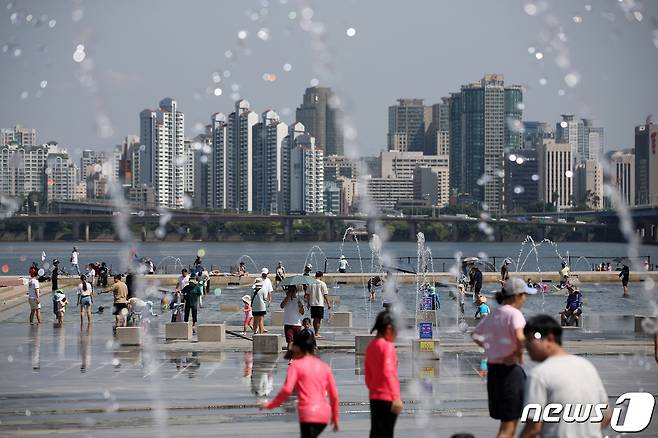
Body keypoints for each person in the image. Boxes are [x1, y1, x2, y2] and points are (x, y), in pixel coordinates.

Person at [520, 314, 610, 438]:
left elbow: (533, 427)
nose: (526, 345)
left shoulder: (539, 375)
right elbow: (606, 416)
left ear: (550, 339)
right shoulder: (587, 367)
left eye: (530, 339)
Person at [472, 278, 535, 438]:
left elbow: (475, 334)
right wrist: (513, 354)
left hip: (494, 372)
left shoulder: (494, 313)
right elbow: (521, 339)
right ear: (516, 296)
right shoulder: (515, 314)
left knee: (506, 424)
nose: (526, 299)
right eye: (524, 295)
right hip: (511, 372)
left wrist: (490, 348)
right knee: (509, 427)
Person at [260, 330, 339, 438]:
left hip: (308, 413)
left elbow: (287, 390)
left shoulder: (296, 365)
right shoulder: (324, 367)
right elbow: (334, 396)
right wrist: (335, 417)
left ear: (299, 347)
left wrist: (271, 405)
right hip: (324, 415)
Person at [365, 310, 402, 438]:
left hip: (374, 396)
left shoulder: (371, 346)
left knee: (376, 431)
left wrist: (374, 389)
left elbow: (368, 375)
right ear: (389, 328)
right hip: (388, 397)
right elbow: (388, 372)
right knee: (387, 432)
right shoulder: (387, 347)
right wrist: (396, 397)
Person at [281, 285, 305, 354]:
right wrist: (288, 297)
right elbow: (282, 306)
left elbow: (302, 313)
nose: (291, 292)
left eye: (293, 291)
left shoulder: (299, 300)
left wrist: (301, 307)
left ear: (296, 291)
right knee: (290, 342)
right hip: (288, 323)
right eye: (290, 291)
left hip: (297, 324)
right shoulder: (286, 300)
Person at [307, 271, 331, 338]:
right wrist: (329, 304)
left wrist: (308, 303)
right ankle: (316, 333)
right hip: (319, 304)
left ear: (315, 275)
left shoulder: (311, 283)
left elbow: (307, 294)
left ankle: (315, 332)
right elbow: (325, 295)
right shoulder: (323, 284)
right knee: (318, 319)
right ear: (321, 276)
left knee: (315, 319)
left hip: (312, 303)